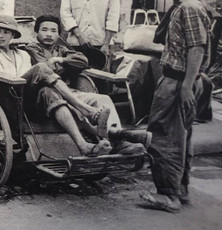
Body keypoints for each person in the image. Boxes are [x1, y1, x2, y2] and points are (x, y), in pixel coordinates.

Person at [0, 15, 113, 156]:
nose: (1, 35)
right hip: (7, 98)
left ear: (12, 35)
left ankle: (82, 144)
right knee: (41, 67)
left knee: (49, 91)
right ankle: (86, 110)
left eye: (6, 32)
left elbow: (35, 79)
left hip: (28, 100)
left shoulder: (22, 55)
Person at [140, 0, 209, 213]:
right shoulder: (182, 7)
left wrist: (186, 86)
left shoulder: (189, 8)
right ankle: (181, 189)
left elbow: (197, 48)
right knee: (180, 137)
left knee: (162, 137)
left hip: (178, 81)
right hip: (182, 80)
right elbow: (164, 39)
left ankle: (169, 196)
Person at [25, 15, 150, 155]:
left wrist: (61, 59)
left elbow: (83, 60)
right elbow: (47, 68)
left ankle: (118, 142)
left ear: (59, 34)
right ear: (36, 32)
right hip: (44, 94)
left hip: (70, 92)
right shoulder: (30, 49)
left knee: (102, 99)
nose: (49, 34)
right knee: (63, 93)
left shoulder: (62, 50)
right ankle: (112, 135)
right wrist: (68, 66)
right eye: (44, 30)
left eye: (53, 31)